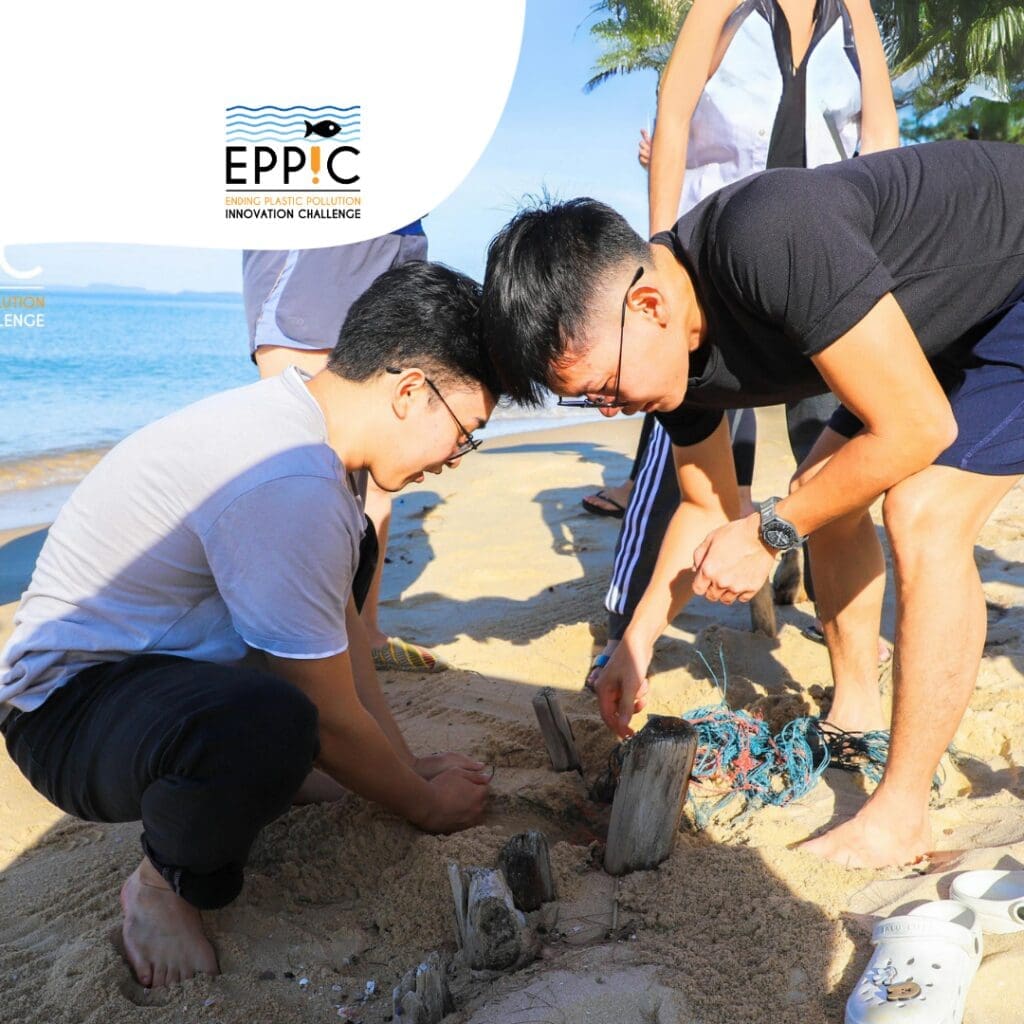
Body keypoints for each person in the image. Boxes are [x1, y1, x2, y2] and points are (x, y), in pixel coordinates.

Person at [481, 139, 1024, 868]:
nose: (608, 410)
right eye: (588, 401)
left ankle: (901, 815)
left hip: (1012, 284)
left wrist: (770, 532)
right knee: (825, 490)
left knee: (923, 512)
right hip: (951, 319)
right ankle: (857, 706)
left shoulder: (767, 236)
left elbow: (919, 427)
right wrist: (635, 644)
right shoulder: (668, 359)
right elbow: (705, 505)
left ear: (646, 304)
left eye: (604, 388)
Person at [0, 262, 498, 988]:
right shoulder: (291, 476)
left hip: (152, 672)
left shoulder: (314, 430)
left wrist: (403, 764)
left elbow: (344, 640)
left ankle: (251, 780)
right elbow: (327, 716)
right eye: (465, 433)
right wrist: (423, 806)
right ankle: (162, 884)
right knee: (275, 725)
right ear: (410, 391)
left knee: (346, 570)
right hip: (62, 710)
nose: (455, 459)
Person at [585, 0, 898, 685]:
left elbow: (879, 132)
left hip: (822, 265)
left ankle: (838, 616)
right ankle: (627, 627)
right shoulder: (721, 3)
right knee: (697, 453)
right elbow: (673, 118)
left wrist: (880, 251)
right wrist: (662, 248)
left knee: (834, 452)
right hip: (717, 265)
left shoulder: (855, 11)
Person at [243, 223, 446, 671]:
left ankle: (365, 632)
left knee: (385, 448)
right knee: (299, 450)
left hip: (400, 228)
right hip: (319, 219)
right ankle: (289, 640)